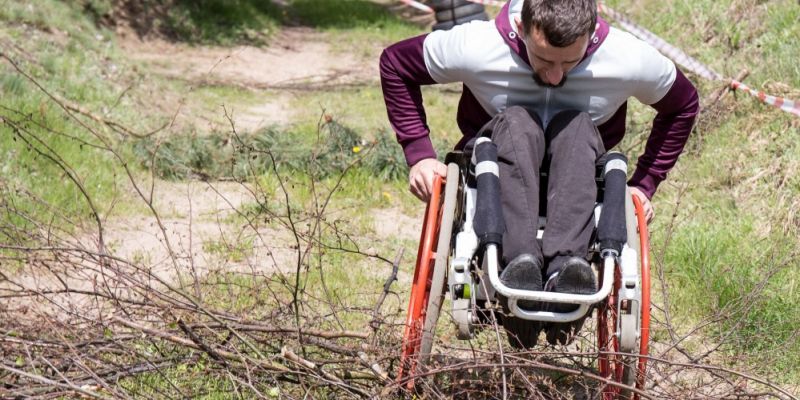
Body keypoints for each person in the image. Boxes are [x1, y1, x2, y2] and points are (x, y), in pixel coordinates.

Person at [379, 0, 698, 346]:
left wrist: (645, 183)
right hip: (497, 165)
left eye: (570, 63)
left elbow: (683, 104)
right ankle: (520, 269)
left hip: (578, 171)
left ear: (591, 36)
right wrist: (419, 154)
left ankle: (567, 271)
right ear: (521, 29)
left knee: (576, 124)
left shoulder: (628, 59)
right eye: (544, 59)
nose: (555, 76)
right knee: (519, 120)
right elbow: (396, 65)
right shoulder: (477, 46)